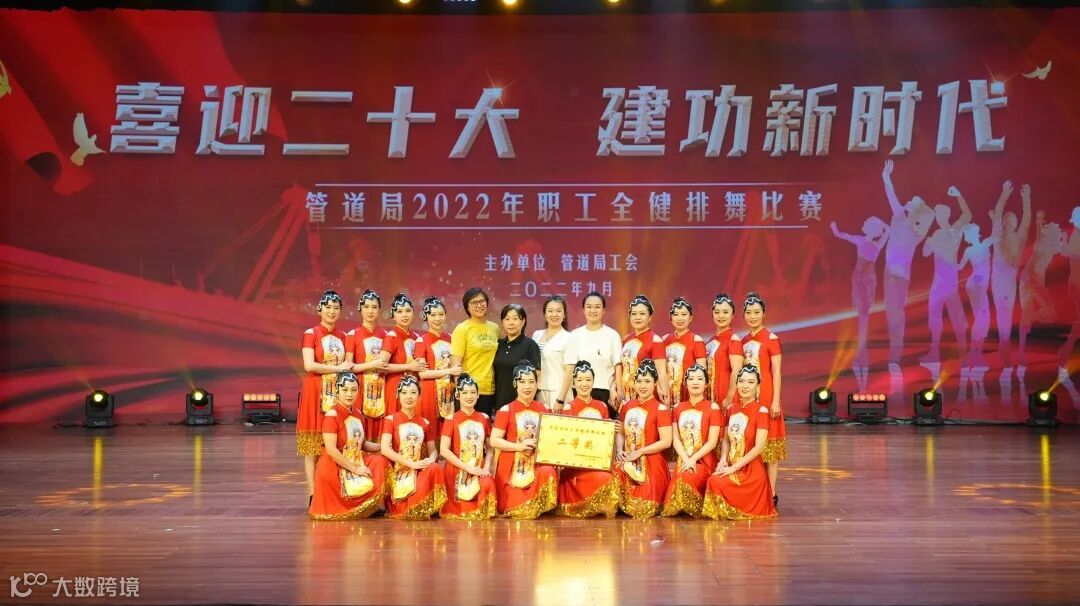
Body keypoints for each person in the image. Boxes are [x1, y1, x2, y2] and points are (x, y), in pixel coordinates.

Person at [880, 159, 936, 373]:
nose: (909, 203)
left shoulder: (917, 233)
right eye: (910, 202)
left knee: (898, 314)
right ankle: (894, 353)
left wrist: (918, 205)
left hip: (901, 277)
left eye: (913, 204)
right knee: (892, 315)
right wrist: (886, 176)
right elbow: (891, 195)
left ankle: (896, 355)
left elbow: (929, 215)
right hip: (889, 274)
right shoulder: (898, 217)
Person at [309, 372, 389, 520]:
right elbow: (331, 450)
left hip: (355, 460)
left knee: (381, 460)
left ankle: (371, 505)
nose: (349, 394)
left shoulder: (357, 414)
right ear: (337, 390)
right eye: (345, 390)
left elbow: (363, 444)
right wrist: (355, 469)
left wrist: (383, 446)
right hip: (335, 466)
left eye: (353, 390)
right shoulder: (332, 415)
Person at [703, 365, 777, 521]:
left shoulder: (761, 411)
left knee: (716, 481)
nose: (745, 386)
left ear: (758, 385)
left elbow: (759, 447)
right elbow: (726, 440)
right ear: (736, 383)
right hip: (731, 464)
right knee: (713, 480)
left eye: (750, 382)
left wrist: (734, 468)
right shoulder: (731, 408)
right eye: (741, 381)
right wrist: (723, 459)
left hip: (750, 471)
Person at [298, 290, 350, 503]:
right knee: (313, 446)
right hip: (316, 391)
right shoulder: (311, 333)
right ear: (319, 309)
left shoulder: (344, 336)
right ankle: (313, 492)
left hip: (338, 393)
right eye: (328, 307)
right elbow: (309, 365)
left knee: (336, 442)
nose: (332, 311)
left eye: (336, 308)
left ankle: (333, 490)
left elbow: (349, 365)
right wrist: (338, 368)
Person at [490, 361, 559, 519]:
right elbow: (494, 441)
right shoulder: (506, 409)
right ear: (515, 384)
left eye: (531, 382)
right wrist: (519, 446)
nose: (527, 387)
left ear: (537, 384)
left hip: (536, 463)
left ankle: (539, 505)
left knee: (548, 471)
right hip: (513, 464)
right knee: (515, 506)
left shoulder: (545, 409)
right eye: (522, 382)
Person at [830, 218, 890, 391]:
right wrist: (835, 230)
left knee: (863, 317)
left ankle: (861, 354)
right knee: (862, 318)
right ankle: (861, 353)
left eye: (867, 225)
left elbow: (888, 230)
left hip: (867, 282)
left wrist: (880, 223)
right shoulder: (862, 240)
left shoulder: (875, 243)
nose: (863, 226)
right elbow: (842, 235)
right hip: (859, 280)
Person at [555, 361, 620, 519]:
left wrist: (613, 431)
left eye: (588, 380)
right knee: (604, 478)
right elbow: (567, 441)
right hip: (577, 465)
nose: (584, 384)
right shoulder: (569, 407)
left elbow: (606, 440)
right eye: (580, 380)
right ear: (574, 383)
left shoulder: (602, 406)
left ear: (593, 381)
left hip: (599, 459)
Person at [920, 186, 972, 375]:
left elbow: (967, 215)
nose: (939, 217)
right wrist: (928, 241)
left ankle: (964, 355)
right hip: (938, 283)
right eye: (937, 215)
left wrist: (959, 195)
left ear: (947, 215)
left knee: (957, 318)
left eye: (941, 214)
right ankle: (934, 353)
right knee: (934, 317)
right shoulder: (936, 235)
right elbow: (925, 253)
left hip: (949, 283)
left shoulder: (954, 231)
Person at [380, 376, 446, 520]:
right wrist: (410, 463)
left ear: (419, 395)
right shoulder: (390, 420)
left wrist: (431, 459)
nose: (408, 397)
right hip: (399, 472)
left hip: (418, 470)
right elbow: (385, 448)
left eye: (413, 392)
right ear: (398, 395)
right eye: (404, 393)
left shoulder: (425, 423)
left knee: (435, 467)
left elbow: (433, 451)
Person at [741, 292, 785, 506]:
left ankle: (771, 492)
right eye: (749, 312)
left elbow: (776, 371)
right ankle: (754, 490)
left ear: (764, 313)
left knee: (770, 448)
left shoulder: (771, 339)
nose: (752, 316)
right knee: (750, 444)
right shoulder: (744, 341)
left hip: (766, 399)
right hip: (748, 400)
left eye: (756, 312)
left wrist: (775, 400)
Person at [661, 365, 722, 518]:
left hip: (704, 462)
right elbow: (675, 439)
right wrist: (686, 459)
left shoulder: (713, 407)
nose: (695, 382)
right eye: (691, 379)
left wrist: (693, 459)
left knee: (685, 478)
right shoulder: (677, 408)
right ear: (685, 383)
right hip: (683, 462)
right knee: (681, 479)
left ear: (706, 384)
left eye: (700, 379)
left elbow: (712, 442)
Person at [615, 359, 672, 519]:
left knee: (644, 507)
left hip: (651, 460)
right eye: (639, 381)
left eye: (647, 381)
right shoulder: (627, 406)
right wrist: (619, 450)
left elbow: (666, 442)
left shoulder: (660, 408)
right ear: (633, 383)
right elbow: (620, 432)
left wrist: (640, 452)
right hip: (628, 457)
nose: (642, 385)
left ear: (655, 383)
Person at [1018, 211, 1067, 393]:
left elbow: (1064, 248)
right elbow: (1040, 232)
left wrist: (1042, 223)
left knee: (1030, 316)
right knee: (1049, 311)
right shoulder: (1043, 243)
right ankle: (1023, 347)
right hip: (1031, 280)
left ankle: (1022, 350)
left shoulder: (1052, 245)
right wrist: (1039, 221)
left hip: (1029, 281)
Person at [988, 181, 1030, 390]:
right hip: (998, 279)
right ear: (1005, 222)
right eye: (1009, 218)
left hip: (1010, 279)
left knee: (1008, 313)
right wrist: (1004, 194)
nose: (1012, 220)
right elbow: (997, 214)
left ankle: (1004, 343)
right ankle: (1003, 344)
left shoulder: (1020, 237)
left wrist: (1026, 198)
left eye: (1014, 218)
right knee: (1002, 312)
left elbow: (1027, 220)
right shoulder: (998, 234)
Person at [440, 374, 497, 521]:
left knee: (488, 482)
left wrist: (486, 468)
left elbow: (490, 448)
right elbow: (444, 450)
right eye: (465, 392)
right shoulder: (451, 419)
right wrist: (467, 468)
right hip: (456, 468)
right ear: (458, 395)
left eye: (472, 392)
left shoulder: (484, 418)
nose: (469, 396)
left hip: (478, 467)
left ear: (478, 395)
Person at [560, 292, 623, 418]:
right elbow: (570, 370)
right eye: (589, 307)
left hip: (606, 393)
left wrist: (619, 390)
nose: (593, 310)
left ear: (604, 310)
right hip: (580, 392)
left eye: (597, 307)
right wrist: (561, 398)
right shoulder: (575, 335)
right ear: (584, 310)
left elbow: (618, 366)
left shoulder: (612, 335)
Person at [379, 294, 428, 435]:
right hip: (396, 388)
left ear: (413, 312)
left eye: (407, 311)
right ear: (393, 316)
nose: (404, 315)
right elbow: (382, 365)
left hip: (413, 388)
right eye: (399, 312)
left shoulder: (416, 337)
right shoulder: (392, 336)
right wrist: (408, 367)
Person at [346, 289, 390, 440]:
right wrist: (374, 364)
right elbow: (349, 367)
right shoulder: (352, 334)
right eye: (366, 307)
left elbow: (388, 365)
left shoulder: (385, 335)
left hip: (381, 387)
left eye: (374, 307)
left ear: (379, 309)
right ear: (360, 308)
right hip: (361, 387)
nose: (370, 311)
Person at [451, 287, 501, 416]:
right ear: (467, 307)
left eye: (482, 301)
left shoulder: (495, 328)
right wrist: (461, 391)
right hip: (469, 390)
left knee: (485, 425)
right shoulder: (462, 329)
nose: (479, 305)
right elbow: (456, 365)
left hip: (489, 389)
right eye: (474, 302)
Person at [415, 297, 461, 432]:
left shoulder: (452, 338)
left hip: (449, 391)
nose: (437, 318)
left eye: (441, 314)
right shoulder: (421, 341)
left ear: (445, 315)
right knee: (431, 431)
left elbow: (456, 367)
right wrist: (449, 371)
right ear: (426, 316)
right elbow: (422, 374)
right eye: (433, 315)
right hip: (429, 392)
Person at [959, 222, 998, 376]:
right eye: (969, 233)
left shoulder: (985, 243)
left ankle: (975, 353)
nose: (972, 235)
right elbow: (960, 266)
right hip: (976, 284)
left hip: (979, 284)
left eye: (973, 232)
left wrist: (994, 219)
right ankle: (975, 353)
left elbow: (997, 236)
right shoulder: (970, 250)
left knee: (983, 319)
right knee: (982, 319)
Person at [620, 294, 670, 407]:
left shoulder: (655, 340)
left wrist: (665, 395)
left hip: (646, 394)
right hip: (626, 395)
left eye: (642, 314)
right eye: (634, 314)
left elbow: (661, 371)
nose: (637, 317)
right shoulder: (626, 339)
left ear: (650, 317)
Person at [493, 304, 542, 408]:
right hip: (499, 403)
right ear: (502, 322)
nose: (511, 323)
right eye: (507, 319)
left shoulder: (530, 345)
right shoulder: (498, 345)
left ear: (523, 321)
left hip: (523, 404)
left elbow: (536, 376)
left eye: (515, 319)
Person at [663, 297, 707, 404]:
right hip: (666, 393)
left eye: (684, 314)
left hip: (688, 394)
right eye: (676, 314)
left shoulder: (696, 340)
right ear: (670, 318)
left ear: (690, 317)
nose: (680, 318)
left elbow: (702, 373)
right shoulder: (664, 340)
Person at [705, 293, 744, 408]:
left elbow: (737, 370)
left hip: (726, 392)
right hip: (710, 392)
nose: (721, 316)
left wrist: (729, 397)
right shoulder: (710, 341)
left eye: (725, 312)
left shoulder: (733, 339)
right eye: (717, 312)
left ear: (732, 315)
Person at [533, 296, 571, 411]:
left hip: (558, 393)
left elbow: (569, 373)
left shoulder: (569, 338)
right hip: (537, 392)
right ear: (545, 314)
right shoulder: (536, 335)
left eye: (558, 311)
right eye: (550, 311)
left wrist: (560, 399)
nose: (554, 314)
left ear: (564, 315)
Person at [1057, 207, 1080, 395]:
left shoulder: (1075, 235)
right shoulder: (1076, 236)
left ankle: (1064, 358)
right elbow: (1070, 253)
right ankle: (1064, 359)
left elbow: (1067, 252)